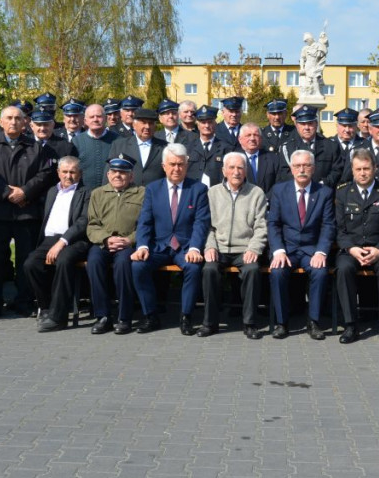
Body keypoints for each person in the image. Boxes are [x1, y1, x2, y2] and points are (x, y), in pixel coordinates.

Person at [0, 105, 57, 318]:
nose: (13, 122)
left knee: (25, 260)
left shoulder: (35, 147)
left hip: (26, 213)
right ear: (1, 122)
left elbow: (45, 174)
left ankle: (24, 302)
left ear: (25, 123)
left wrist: (25, 192)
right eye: (9, 118)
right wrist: (8, 193)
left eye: (17, 118)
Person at [130, 144, 211, 335]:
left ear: (187, 165)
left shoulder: (198, 189)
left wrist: (195, 249)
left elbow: (201, 222)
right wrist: (142, 245)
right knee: (137, 266)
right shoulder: (152, 189)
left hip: (185, 247)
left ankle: (186, 317)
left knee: (193, 267)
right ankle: (150, 316)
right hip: (158, 246)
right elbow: (145, 222)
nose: (176, 169)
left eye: (181, 164)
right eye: (172, 164)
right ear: (164, 166)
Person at [334, 149, 379, 345]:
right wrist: (351, 249)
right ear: (353, 170)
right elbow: (339, 229)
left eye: (366, 168)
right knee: (343, 268)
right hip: (352, 249)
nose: (362, 173)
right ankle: (350, 325)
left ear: (375, 169)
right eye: (358, 169)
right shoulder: (343, 192)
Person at [266, 149, 336, 340]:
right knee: (277, 272)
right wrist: (278, 251)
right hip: (287, 249)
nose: (302, 169)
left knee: (320, 272)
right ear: (291, 168)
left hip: (311, 250)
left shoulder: (324, 193)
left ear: (313, 168)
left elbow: (328, 225)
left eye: (306, 165)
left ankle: (313, 321)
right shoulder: (279, 191)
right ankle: (282, 323)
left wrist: (321, 252)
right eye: (297, 166)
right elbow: (273, 223)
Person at [199, 152, 268, 339]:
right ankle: (210, 323)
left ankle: (249, 323)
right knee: (209, 270)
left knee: (252, 270)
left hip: (244, 249)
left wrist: (254, 248)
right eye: (231, 167)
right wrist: (210, 247)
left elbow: (261, 227)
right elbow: (207, 226)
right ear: (224, 171)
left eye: (240, 168)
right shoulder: (212, 193)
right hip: (219, 248)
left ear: (246, 171)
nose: (236, 172)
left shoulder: (256, 193)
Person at [24, 157, 92, 332]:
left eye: (72, 172)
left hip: (74, 241)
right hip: (49, 240)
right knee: (31, 264)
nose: (68, 176)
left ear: (80, 174)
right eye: (65, 172)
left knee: (63, 261)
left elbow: (83, 222)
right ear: (58, 173)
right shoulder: (52, 192)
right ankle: (47, 308)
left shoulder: (87, 193)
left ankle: (59, 318)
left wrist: (62, 242)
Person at [86, 155, 145, 334]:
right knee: (94, 262)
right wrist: (105, 239)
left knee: (123, 264)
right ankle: (102, 316)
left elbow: (146, 223)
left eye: (123, 172)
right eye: (114, 172)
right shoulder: (98, 193)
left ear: (131, 176)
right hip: (104, 242)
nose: (117, 175)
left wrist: (130, 240)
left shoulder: (142, 193)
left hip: (128, 244)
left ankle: (124, 317)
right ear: (108, 174)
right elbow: (92, 225)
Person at [281, 104, 344, 189]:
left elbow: (337, 170)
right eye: (303, 124)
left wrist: (323, 183)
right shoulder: (288, 148)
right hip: (298, 194)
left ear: (316, 124)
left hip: (323, 193)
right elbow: (284, 173)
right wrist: (302, 185)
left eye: (310, 123)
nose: (307, 127)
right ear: (296, 125)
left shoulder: (330, 146)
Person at [109, 108, 167, 187]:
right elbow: (110, 174)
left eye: (151, 123)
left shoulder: (165, 147)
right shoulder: (119, 145)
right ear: (134, 125)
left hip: (156, 196)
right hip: (128, 196)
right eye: (143, 122)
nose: (147, 126)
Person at [73, 104, 120, 189]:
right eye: (92, 117)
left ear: (105, 118)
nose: (95, 119)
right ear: (85, 121)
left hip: (111, 192)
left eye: (99, 116)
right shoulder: (76, 141)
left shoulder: (118, 140)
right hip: (84, 193)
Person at [186, 104, 233, 187]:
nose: (207, 126)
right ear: (198, 125)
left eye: (210, 122)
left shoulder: (226, 148)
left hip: (217, 194)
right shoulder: (188, 148)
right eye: (203, 122)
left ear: (215, 123)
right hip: (193, 193)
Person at [238, 122, 289, 195]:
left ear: (261, 139)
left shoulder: (274, 159)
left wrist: (266, 199)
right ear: (240, 139)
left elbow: (279, 183)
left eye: (256, 135)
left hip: (268, 203)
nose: (252, 138)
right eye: (248, 135)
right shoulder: (234, 159)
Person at [328, 108, 369, 184]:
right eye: (343, 126)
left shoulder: (365, 145)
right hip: (331, 191)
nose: (347, 130)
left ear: (356, 126)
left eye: (350, 126)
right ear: (337, 126)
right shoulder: (328, 144)